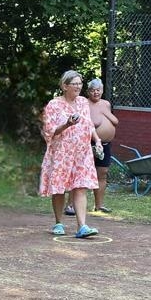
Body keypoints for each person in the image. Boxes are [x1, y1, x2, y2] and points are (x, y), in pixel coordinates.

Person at [39, 70, 101, 238]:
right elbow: (49, 131)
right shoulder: (54, 104)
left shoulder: (83, 102)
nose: (78, 87)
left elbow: (89, 124)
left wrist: (97, 140)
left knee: (80, 186)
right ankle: (58, 222)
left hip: (82, 152)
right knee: (59, 188)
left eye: (80, 83)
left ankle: (82, 226)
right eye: (74, 84)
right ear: (64, 86)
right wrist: (67, 125)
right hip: (61, 153)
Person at [85, 77, 118, 215]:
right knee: (83, 173)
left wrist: (105, 113)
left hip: (105, 144)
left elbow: (115, 121)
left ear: (102, 90)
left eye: (98, 90)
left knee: (102, 173)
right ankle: (71, 205)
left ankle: (99, 205)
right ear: (88, 91)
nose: (95, 93)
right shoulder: (84, 103)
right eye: (92, 90)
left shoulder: (106, 104)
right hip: (89, 143)